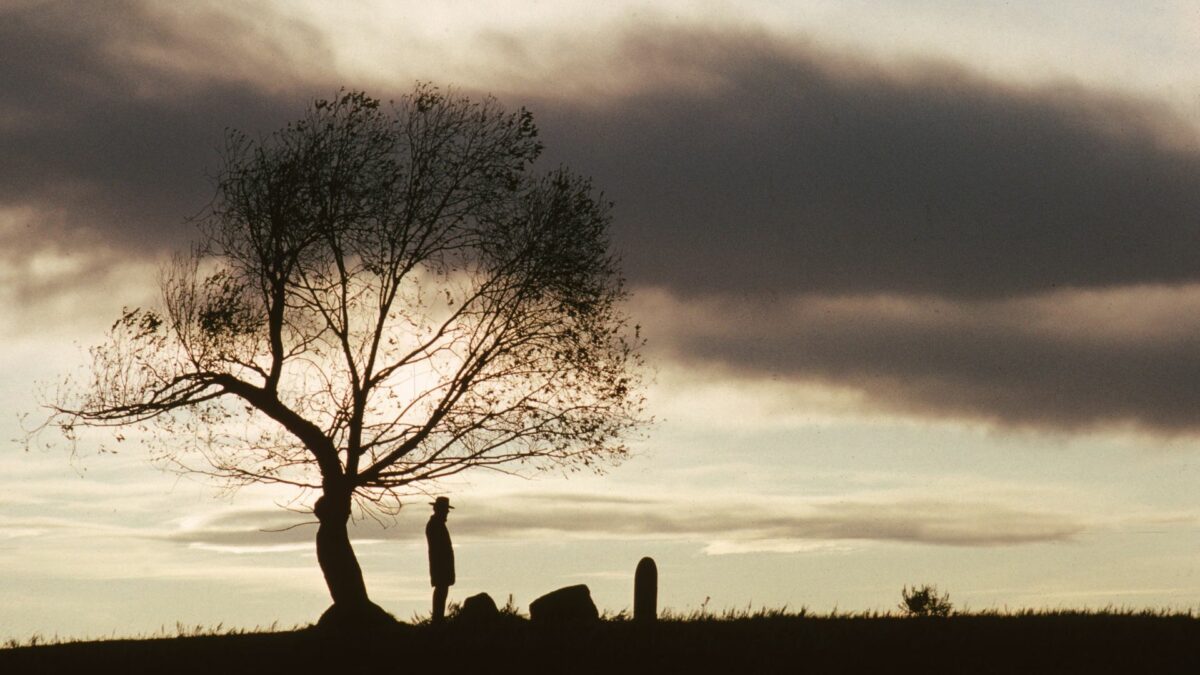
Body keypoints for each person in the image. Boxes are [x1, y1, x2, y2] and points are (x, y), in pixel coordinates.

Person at [426, 496, 455, 623]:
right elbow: (439, 549)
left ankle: (438, 619)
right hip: (440, 566)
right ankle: (437, 619)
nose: (447, 512)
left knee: (442, 590)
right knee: (440, 591)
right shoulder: (435, 525)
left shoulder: (436, 524)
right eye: (445, 510)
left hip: (442, 565)